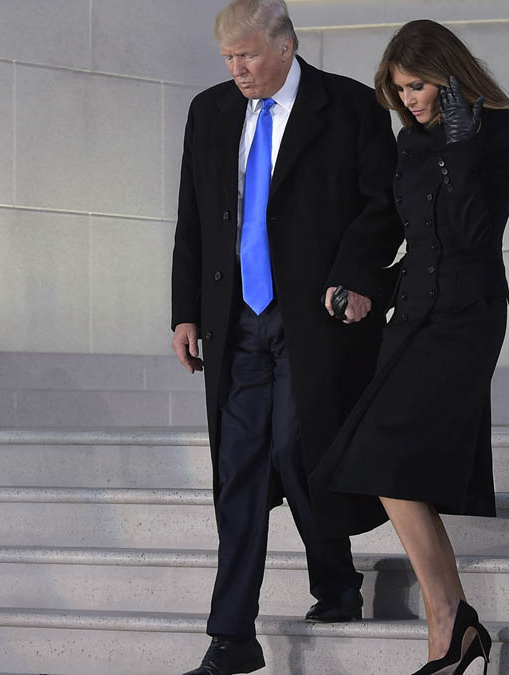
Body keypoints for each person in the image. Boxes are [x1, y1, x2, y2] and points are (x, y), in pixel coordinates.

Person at [169, 0, 404, 672]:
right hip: (235, 319)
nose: (236, 68)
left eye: (246, 54)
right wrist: (185, 310)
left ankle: (335, 583)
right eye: (227, 57)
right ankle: (231, 634)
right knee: (238, 469)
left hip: (315, 316)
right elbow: (193, 216)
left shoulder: (351, 107)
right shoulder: (209, 112)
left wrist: (357, 277)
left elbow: (380, 206)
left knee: (299, 447)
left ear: (284, 46)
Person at [308, 19, 509, 675]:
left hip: (467, 317)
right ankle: (453, 622)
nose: (408, 100)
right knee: (383, 467)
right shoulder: (411, 139)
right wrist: (365, 286)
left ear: (447, 75)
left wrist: (462, 146)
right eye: (399, 89)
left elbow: (472, 233)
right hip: (412, 316)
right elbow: (416, 236)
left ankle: (448, 623)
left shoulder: (501, 128)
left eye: (417, 86)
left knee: (385, 459)